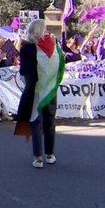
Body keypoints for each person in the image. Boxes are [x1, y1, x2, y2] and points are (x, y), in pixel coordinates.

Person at [16, 19, 65, 169]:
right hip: (51, 90)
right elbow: (61, 62)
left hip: (36, 91)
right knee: (50, 122)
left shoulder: (27, 48)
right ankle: (50, 154)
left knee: (36, 122)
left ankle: (38, 158)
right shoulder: (54, 45)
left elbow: (23, 70)